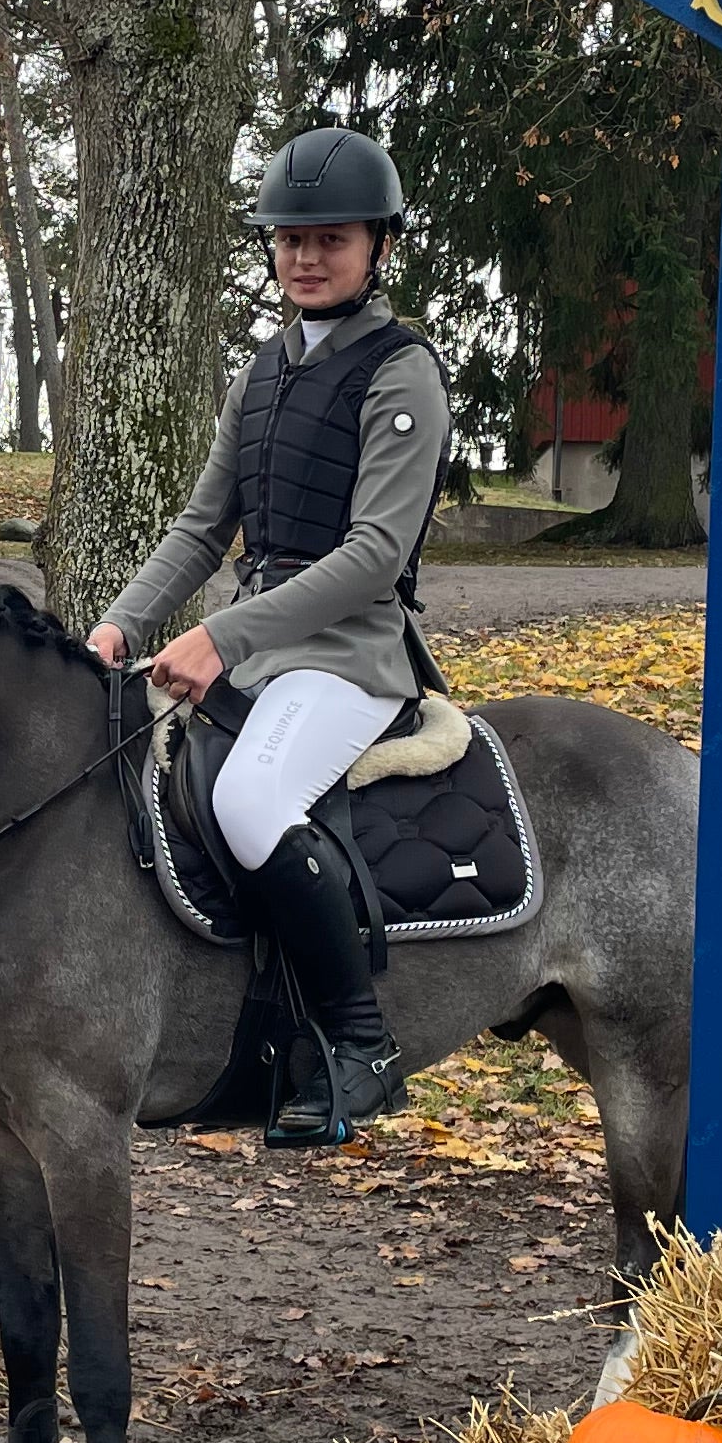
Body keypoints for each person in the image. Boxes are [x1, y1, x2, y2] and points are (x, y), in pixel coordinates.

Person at [87, 127, 449, 1143]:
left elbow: (378, 551)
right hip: (260, 649)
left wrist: (227, 638)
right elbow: (205, 525)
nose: (305, 257)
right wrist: (121, 625)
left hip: (352, 654)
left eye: (329, 240)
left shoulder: (402, 370)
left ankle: (360, 1042)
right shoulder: (263, 369)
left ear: (378, 246)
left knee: (251, 797)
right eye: (290, 239)